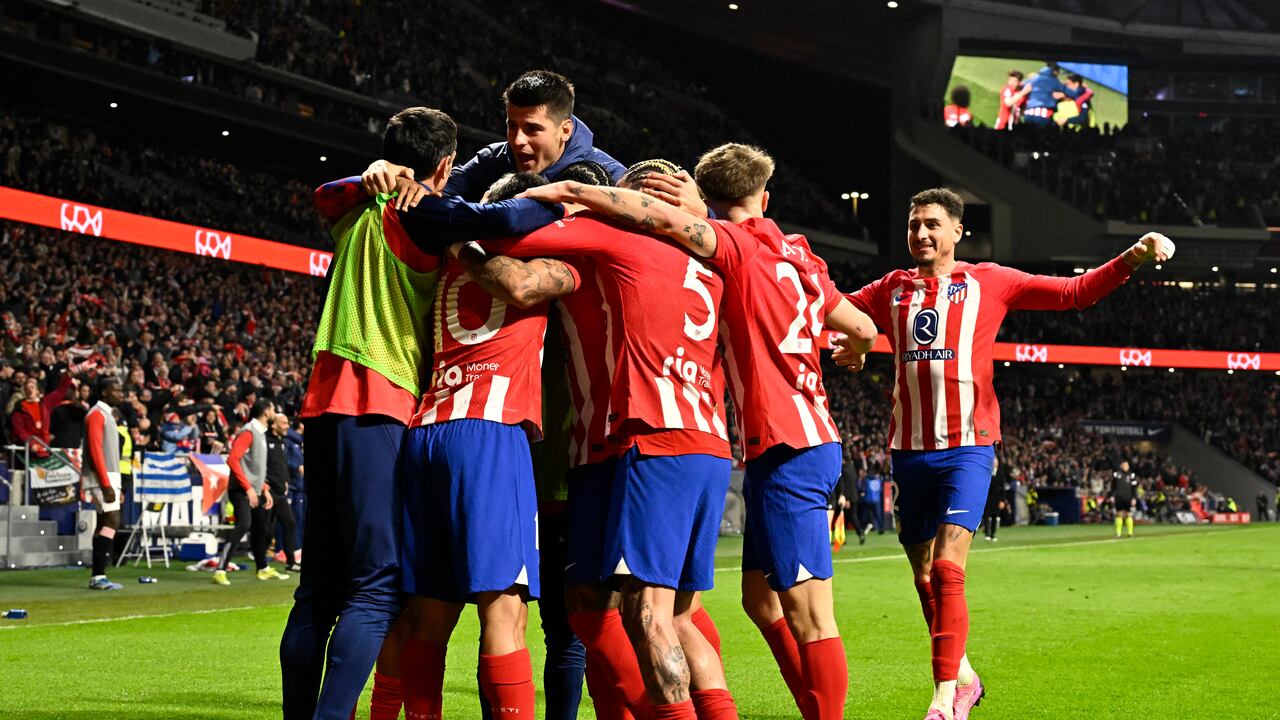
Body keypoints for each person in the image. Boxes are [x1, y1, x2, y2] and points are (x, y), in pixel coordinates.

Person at [525, 144, 880, 719]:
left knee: (803, 611)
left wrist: (566, 191)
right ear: (765, 199)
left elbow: (666, 221)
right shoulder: (795, 254)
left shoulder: (731, 248)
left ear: (704, 205)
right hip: (782, 438)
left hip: (780, 442)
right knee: (756, 603)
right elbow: (862, 325)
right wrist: (855, 351)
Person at [836, 188, 1174, 720]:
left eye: (931, 224)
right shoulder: (889, 288)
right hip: (908, 451)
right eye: (913, 225)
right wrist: (856, 336)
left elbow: (1075, 293)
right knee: (925, 578)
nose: (920, 234)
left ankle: (944, 701)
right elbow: (829, 312)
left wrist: (1131, 256)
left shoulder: (988, 280)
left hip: (969, 446)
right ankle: (965, 677)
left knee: (948, 572)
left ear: (956, 232)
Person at [279, 106, 567, 720]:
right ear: (443, 165)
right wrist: (560, 196)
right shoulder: (427, 221)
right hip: (398, 404)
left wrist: (366, 176)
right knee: (395, 588)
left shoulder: (354, 209)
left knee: (322, 595)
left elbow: (324, 194)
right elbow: (505, 222)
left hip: (340, 404)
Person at [474, 161, 742, 720]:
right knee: (596, 606)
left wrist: (447, 228)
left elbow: (504, 235)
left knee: (650, 613)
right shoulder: (711, 261)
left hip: (648, 439)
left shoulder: (614, 237)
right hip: (676, 442)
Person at [393, 187, 578, 720]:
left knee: (429, 614)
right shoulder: (541, 259)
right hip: (490, 433)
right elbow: (522, 287)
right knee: (505, 612)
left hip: (426, 430)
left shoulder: (444, 261)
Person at [212, 400, 283, 586]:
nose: (274, 411)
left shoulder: (260, 433)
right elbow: (233, 460)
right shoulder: (249, 431)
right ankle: (220, 569)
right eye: (273, 408)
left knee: (262, 528)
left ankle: (262, 568)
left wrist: (264, 489)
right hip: (241, 489)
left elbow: (255, 467)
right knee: (244, 525)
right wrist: (249, 488)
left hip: (255, 489)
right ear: (267, 412)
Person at [81, 377, 125, 591]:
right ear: (105, 392)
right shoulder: (97, 414)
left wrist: (117, 486)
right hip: (101, 476)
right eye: (116, 390)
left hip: (110, 475)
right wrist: (106, 484)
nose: (121, 394)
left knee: (104, 522)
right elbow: (96, 449)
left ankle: (98, 574)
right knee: (112, 519)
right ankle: (98, 574)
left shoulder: (106, 415)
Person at [266, 412, 300, 572]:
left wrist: (286, 480)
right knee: (264, 528)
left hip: (279, 492)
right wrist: (265, 485)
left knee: (289, 523)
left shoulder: (282, 443)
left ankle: (291, 562)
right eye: (284, 423)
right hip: (266, 491)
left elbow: (282, 465)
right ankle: (261, 564)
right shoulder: (264, 441)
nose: (287, 426)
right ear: (273, 425)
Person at [982, 457, 1007, 541]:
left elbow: (1003, 489)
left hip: (996, 499)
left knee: (994, 517)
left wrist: (1002, 500)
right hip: (987, 498)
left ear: (997, 464)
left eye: (995, 462)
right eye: (993, 462)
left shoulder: (1000, 474)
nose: (994, 463)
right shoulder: (986, 473)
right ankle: (987, 533)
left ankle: (993, 534)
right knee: (986, 516)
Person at [1111, 461, 1138, 538]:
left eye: (1127, 465)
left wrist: (1134, 498)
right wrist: (1112, 496)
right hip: (1118, 497)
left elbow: (1134, 488)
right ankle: (1118, 533)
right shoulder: (1116, 474)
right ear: (1121, 466)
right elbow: (1112, 486)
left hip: (1128, 497)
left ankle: (1130, 533)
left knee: (1128, 514)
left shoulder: (1132, 475)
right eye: (1124, 465)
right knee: (1119, 514)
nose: (1125, 466)